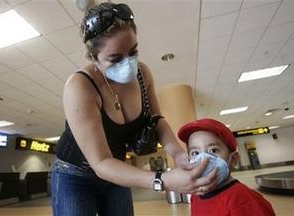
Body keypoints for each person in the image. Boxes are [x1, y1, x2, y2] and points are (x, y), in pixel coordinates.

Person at [51, 2, 217, 216]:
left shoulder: (142, 73)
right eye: (115, 58)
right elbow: (101, 162)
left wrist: (178, 153)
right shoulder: (80, 87)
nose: (128, 63)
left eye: (133, 51)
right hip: (74, 175)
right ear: (93, 58)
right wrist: (162, 180)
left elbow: (156, 120)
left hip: (118, 171)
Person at [178, 118, 276, 216]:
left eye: (213, 150)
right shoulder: (196, 196)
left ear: (233, 159)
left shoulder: (244, 201)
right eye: (195, 153)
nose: (203, 159)